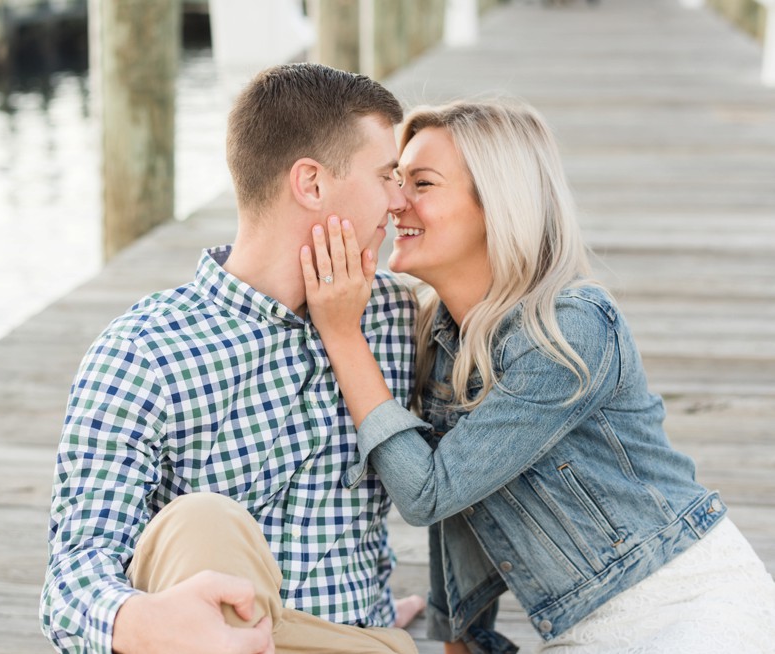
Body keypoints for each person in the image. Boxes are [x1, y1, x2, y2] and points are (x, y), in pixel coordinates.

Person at [300, 99, 775, 653]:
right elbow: (459, 510)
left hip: (687, 602)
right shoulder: (440, 337)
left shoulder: (571, 329)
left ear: (497, 206)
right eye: (397, 178)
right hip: (577, 630)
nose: (396, 200)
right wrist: (460, 635)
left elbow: (430, 491)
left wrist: (342, 335)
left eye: (422, 184)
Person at [40, 62, 426, 654]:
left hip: (358, 642)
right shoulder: (143, 352)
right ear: (312, 184)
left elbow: (459, 486)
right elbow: (73, 578)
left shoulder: (397, 318)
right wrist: (145, 621)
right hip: (222, 641)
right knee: (203, 521)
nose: (400, 201)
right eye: (387, 176)